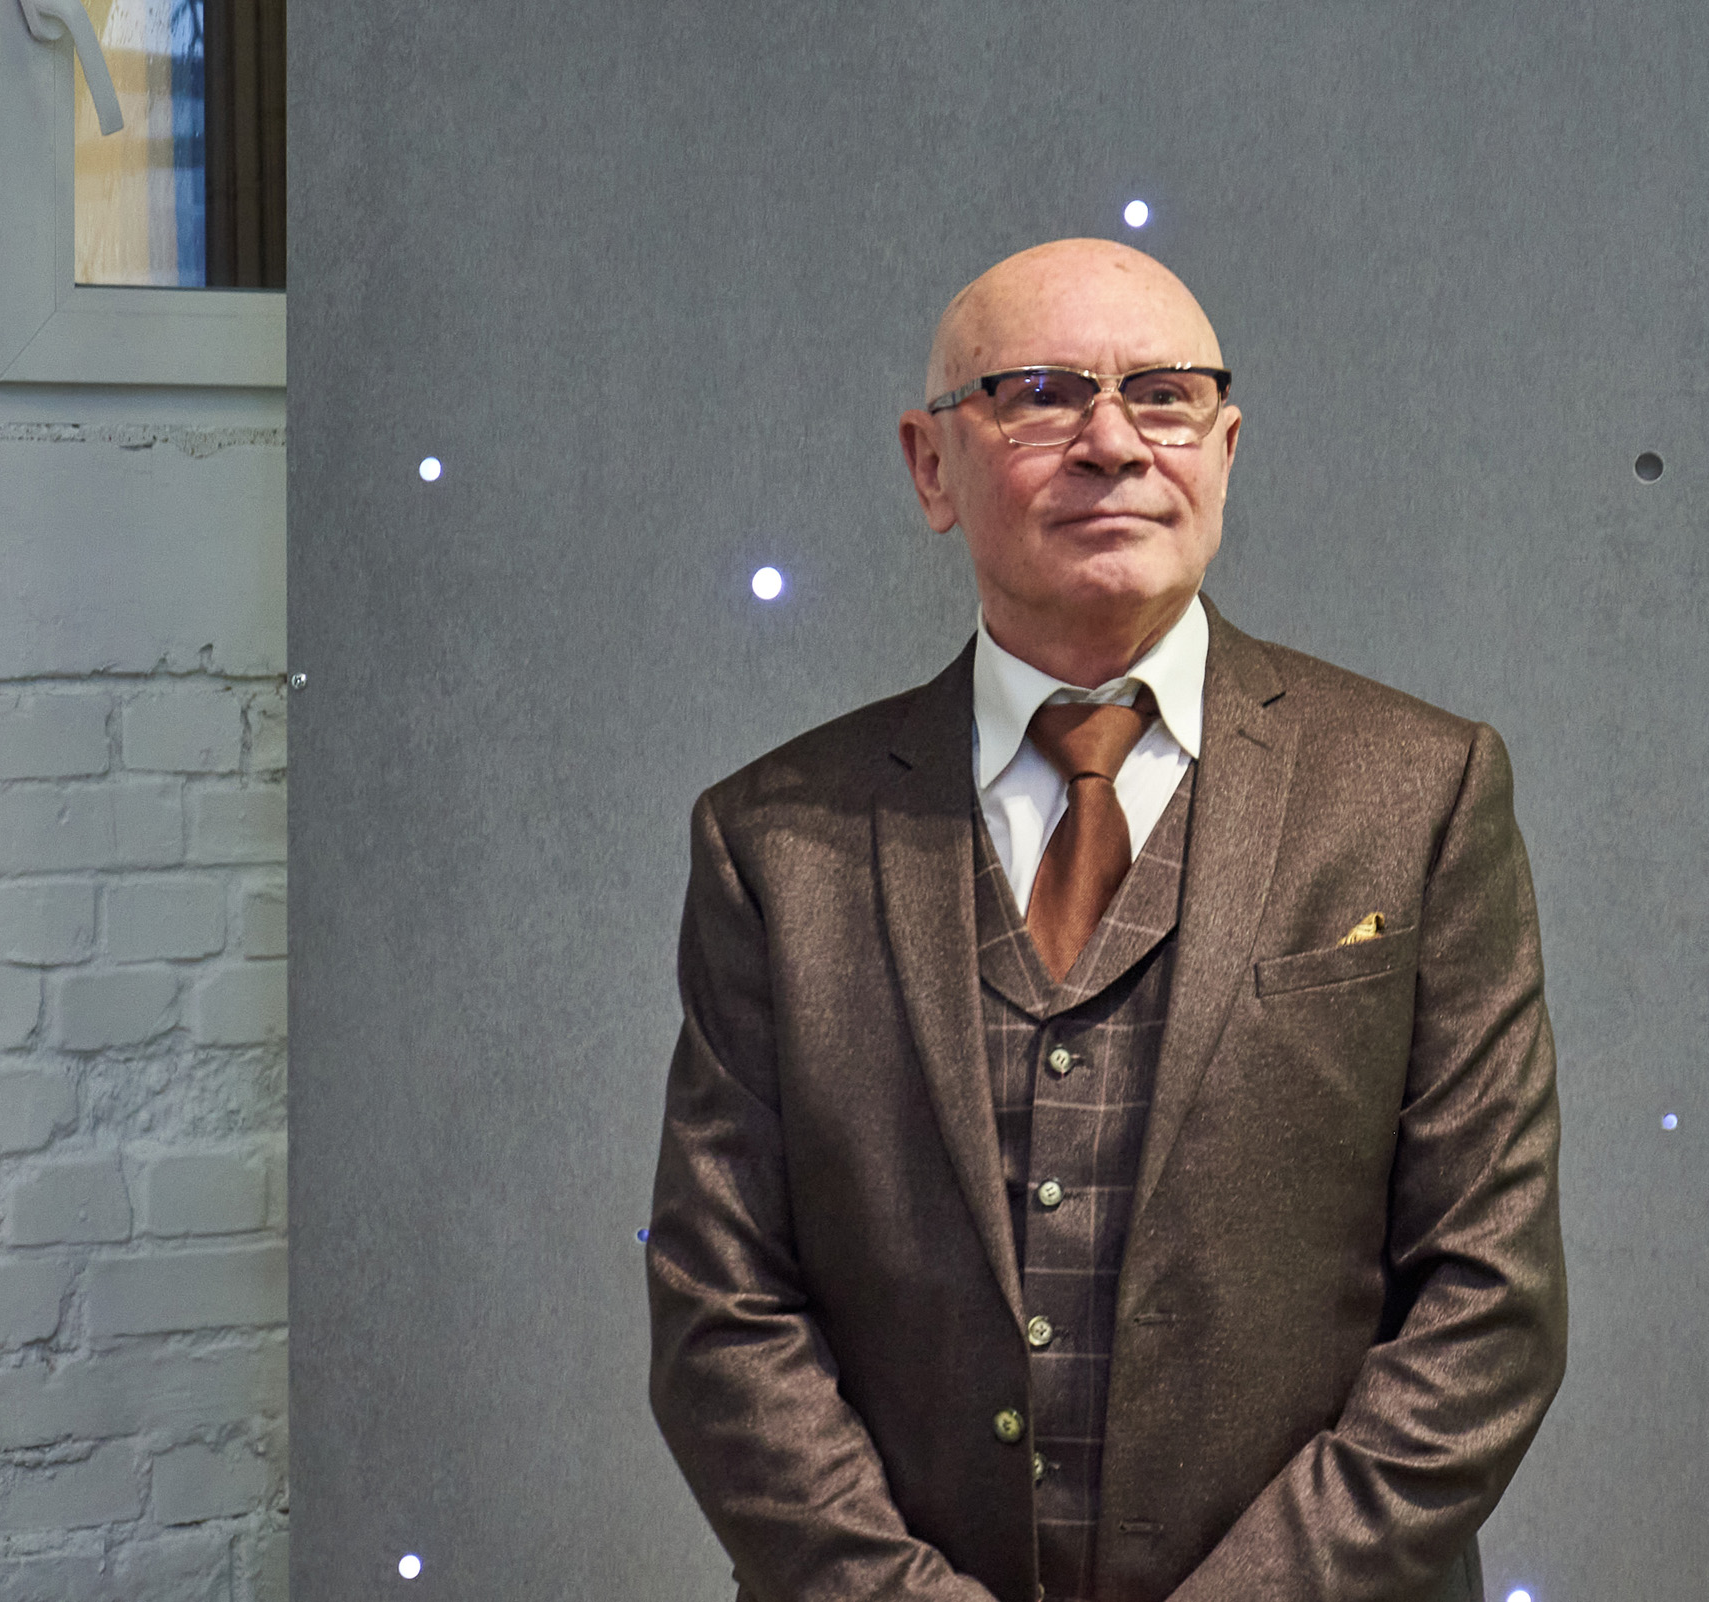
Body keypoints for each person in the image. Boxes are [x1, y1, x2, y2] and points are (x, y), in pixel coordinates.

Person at [646, 239, 1565, 1602]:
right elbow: (722, 1314)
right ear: (929, 465)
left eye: (1167, 396)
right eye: (1041, 394)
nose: (1115, 443)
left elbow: (1490, 1303)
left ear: (1226, 450)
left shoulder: (1420, 794)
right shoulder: (774, 841)